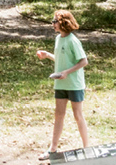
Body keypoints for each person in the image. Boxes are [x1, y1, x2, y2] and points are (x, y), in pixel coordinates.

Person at [36, 10, 92, 155]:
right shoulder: (58, 39)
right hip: (60, 83)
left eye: (55, 21)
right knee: (58, 115)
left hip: (74, 84)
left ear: (63, 23)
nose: (53, 24)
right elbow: (62, 61)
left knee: (77, 115)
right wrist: (48, 55)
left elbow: (84, 61)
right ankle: (52, 148)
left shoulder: (73, 41)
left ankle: (87, 147)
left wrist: (66, 73)